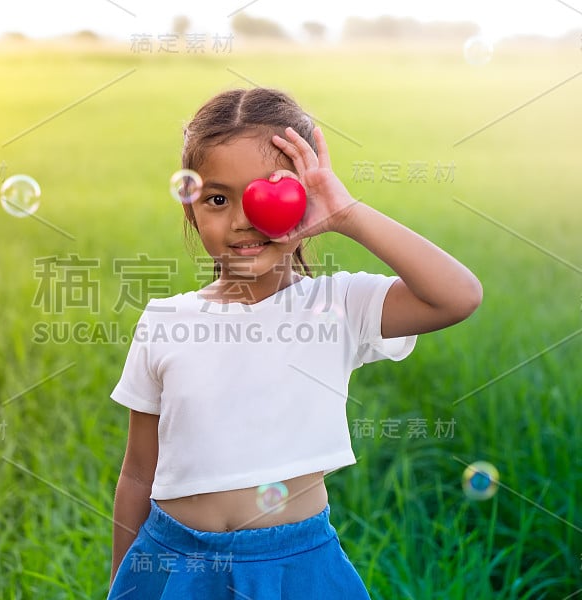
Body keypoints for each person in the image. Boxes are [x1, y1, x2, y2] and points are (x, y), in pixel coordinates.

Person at [107, 88, 482, 599]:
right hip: (174, 563)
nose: (242, 219)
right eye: (217, 199)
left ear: (306, 199)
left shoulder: (339, 305)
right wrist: (121, 582)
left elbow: (458, 296)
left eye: (269, 193)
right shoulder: (166, 320)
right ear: (192, 210)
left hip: (295, 569)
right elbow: (136, 475)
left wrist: (347, 213)